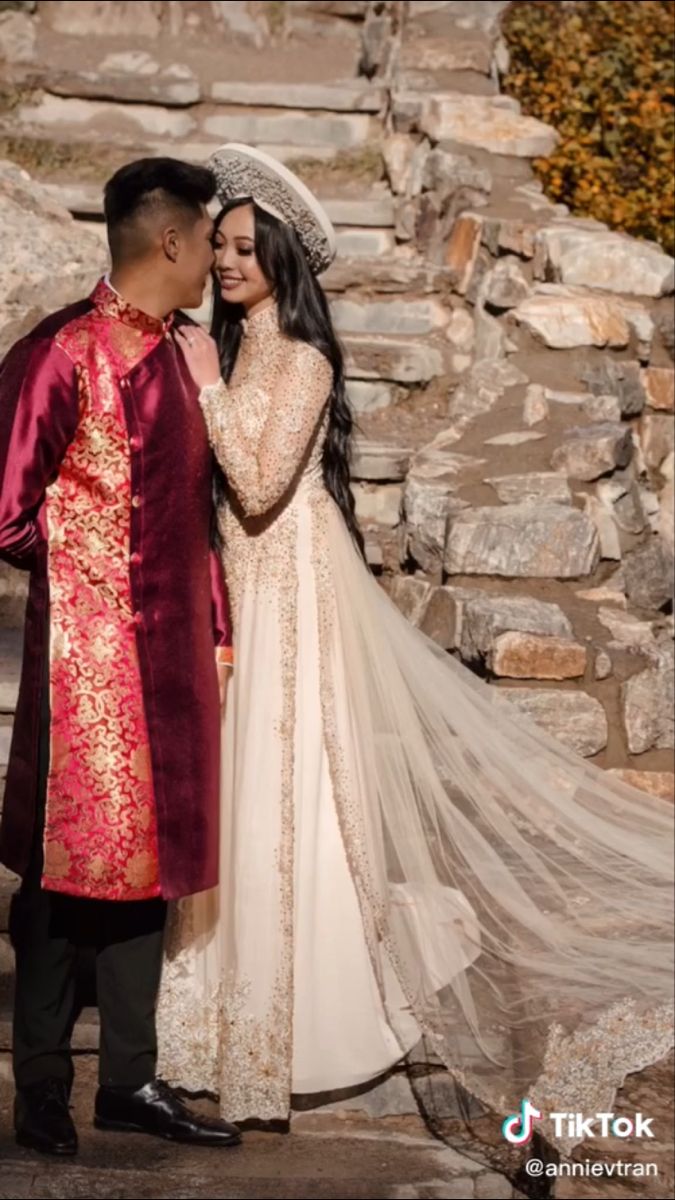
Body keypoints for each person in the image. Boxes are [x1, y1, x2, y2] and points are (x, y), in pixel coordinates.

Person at [156, 144, 673, 1161]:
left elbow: (260, 484)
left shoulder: (298, 357)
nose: (224, 263)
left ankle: (300, 1019)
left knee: (281, 792)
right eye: (219, 247)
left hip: (291, 592)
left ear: (285, 263)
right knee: (238, 791)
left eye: (244, 250)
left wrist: (206, 386)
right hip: (240, 589)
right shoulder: (242, 344)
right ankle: (213, 1003)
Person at [0, 158, 241, 1155]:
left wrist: (214, 623)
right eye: (206, 245)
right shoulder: (60, 353)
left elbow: (199, 519)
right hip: (84, 660)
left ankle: (130, 1082)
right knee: (64, 873)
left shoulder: (186, 359)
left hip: (177, 655)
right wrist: (96, 578)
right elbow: (8, 511)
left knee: (156, 867)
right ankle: (44, 1087)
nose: (213, 270)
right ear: (171, 243)